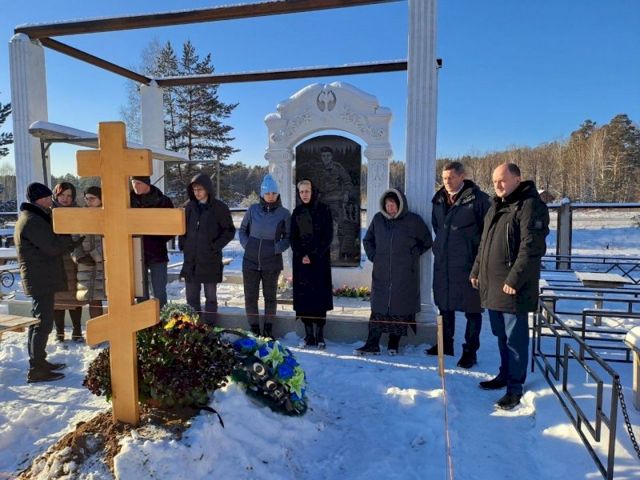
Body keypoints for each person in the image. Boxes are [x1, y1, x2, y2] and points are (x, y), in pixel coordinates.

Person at [470, 163, 549, 410]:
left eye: (502, 180)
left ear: (517, 179)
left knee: (515, 340)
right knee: (501, 336)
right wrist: (476, 270)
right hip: (493, 285)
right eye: (495, 181)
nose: (498, 185)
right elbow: (484, 243)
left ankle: (515, 388)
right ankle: (504, 375)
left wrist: (514, 279)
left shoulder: (529, 206)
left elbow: (531, 248)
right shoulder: (497, 206)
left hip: (513, 288)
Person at [15, 182, 83, 383]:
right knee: (42, 323)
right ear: (36, 200)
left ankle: (39, 362)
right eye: (45, 198)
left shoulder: (34, 217)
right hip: (40, 279)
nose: (49, 201)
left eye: (48, 197)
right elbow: (52, 247)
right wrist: (71, 239)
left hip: (41, 277)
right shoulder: (32, 220)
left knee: (39, 321)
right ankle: (37, 369)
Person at [426, 162, 491, 368]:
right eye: (444, 178)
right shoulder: (438, 199)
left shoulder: (479, 200)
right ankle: (445, 344)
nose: (447, 182)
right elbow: (438, 228)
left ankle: (470, 352)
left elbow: (487, 233)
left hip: (469, 264)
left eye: (451, 178)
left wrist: (478, 261)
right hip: (444, 263)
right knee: (445, 306)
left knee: (472, 310)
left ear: (462, 176)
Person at [355, 188, 432, 355]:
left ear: (400, 204)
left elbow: (427, 240)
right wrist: (374, 256)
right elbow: (368, 240)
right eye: (387, 204)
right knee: (378, 309)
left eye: (393, 204)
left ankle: (393, 344)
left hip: (404, 275)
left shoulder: (413, 220)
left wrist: (412, 254)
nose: (390, 207)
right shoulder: (378, 219)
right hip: (382, 273)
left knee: (399, 310)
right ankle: (372, 344)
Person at [179, 173, 235, 324]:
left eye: (200, 189)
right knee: (191, 298)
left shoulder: (219, 207)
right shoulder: (188, 207)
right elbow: (181, 229)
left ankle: (210, 328)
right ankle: (193, 329)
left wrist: (214, 246)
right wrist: (183, 244)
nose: (197, 192)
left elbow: (229, 231)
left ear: (208, 189)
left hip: (210, 259)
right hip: (191, 260)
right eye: (194, 189)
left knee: (210, 298)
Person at [239, 174, 290, 338]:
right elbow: (242, 230)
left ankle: (268, 330)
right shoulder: (252, 210)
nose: (271, 196)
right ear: (262, 194)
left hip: (272, 262)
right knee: (250, 297)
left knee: (270, 298)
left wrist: (276, 248)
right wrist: (248, 245)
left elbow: (288, 237)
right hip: (250, 261)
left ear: (277, 194)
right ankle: (254, 329)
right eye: (267, 193)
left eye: (274, 193)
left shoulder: (284, 213)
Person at [290, 179, 333, 348]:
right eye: (301, 192)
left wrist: (313, 255)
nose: (304, 194)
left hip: (319, 261)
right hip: (301, 263)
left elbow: (328, 236)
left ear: (312, 191)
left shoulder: (324, 210)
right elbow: (293, 237)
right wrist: (301, 255)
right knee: (304, 299)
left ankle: (320, 335)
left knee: (319, 298)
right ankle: (308, 335)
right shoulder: (297, 212)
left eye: (307, 191)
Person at [130, 176, 174, 307]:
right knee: (140, 293)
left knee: (159, 292)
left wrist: (158, 238)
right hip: (135, 253)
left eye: (138, 183)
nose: (135, 186)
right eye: (133, 183)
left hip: (157, 253)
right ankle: (143, 320)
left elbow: (173, 226)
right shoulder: (127, 201)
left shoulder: (163, 201)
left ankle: (161, 318)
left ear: (147, 183)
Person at [51, 182, 85, 342]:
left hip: (74, 259)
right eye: (62, 195)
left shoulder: (78, 212)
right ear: (56, 195)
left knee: (74, 296)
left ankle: (77, 331)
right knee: (57, 298)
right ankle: (59, 333)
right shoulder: (49, 213)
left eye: (69, 195)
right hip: (55, 260)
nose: (65, 199)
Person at [73, 187, 107, 319]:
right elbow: (74, 238)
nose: (88, 202)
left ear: (101, 199)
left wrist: (95, 255)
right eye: (86, 199)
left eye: (92, 198)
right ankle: (97, 329)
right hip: (86, 265)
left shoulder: (108, 215)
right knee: (93, 299)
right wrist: (79, 255)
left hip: (106, 263)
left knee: (114, 298)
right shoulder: (80, 217)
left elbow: (112, 237)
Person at [315, 146, 354, 262]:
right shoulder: (318, 168)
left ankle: (340, 255)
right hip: (321, 202)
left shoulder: (337, 167)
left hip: (335, 201)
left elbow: (347, 182)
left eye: (328, 155)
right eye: (323, 156)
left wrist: (346, 193)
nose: (325, 158)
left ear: (331, 156)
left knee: (338, 228)